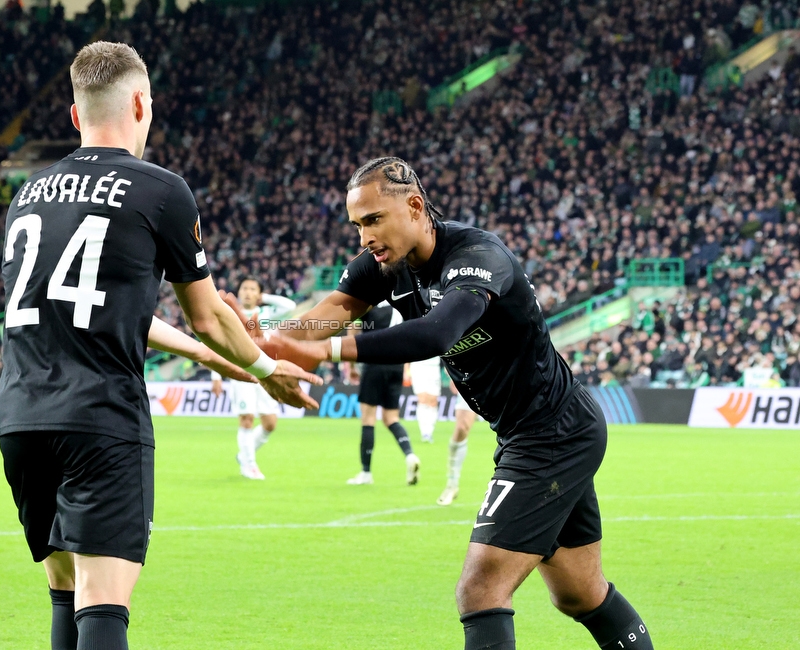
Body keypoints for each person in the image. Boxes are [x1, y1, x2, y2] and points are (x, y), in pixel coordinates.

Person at [240, 157, 653, 650]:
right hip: (535, 431)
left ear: (415, 207)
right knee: (579, 594)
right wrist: (269, 341)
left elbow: (437, 332)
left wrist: (324, 351)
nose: (365, 237)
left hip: (552, 431)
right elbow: (330, 312)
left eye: (373, 220)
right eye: (357, 225)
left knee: (481, 589)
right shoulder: (385, 265)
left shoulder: (478, 256)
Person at [0, 42, 319, 650]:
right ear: (142, 105)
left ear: (75, 115)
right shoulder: (160, 190)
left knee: (65, 587)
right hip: (100, 416)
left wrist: (202, 356)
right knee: (102, 599)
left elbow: (95, 307)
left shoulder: (27, 194)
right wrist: (265, 367)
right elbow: (210, 316)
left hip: (21, 417)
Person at [211, 277, 296, 479]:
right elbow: (219, 343)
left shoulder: (267, 314)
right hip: (242, 371)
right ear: (239, 292)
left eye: (252, 289)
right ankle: (249, 465)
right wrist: (216, 375)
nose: (248, 292)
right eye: (244, 288)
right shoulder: (230, 315)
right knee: (247, 418)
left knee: (270, 423)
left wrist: (264, 298)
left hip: (266, 371)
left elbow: (290, 306)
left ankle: (244, 456)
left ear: (259, 293)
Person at [346, 301, 421, 486]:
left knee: (368, 418)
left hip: (374, 361)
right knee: (391, 418)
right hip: (397, 364)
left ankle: (366, 473)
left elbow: (353, 329)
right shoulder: (401, 302)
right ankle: (410, 455)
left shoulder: (370, 302)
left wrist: (351, 364)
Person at [437, 379, 477, 506]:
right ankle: (452, 485)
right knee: (461, 428)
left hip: (510, 376)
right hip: (474, 377)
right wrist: (452, 373)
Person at [407, 355, 442, 442]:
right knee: (422, 399)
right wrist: (406, 369)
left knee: (433, 401)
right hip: (418, 366)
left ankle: (429, 431)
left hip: (434, 367)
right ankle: (425, 432)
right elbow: (407, 349)